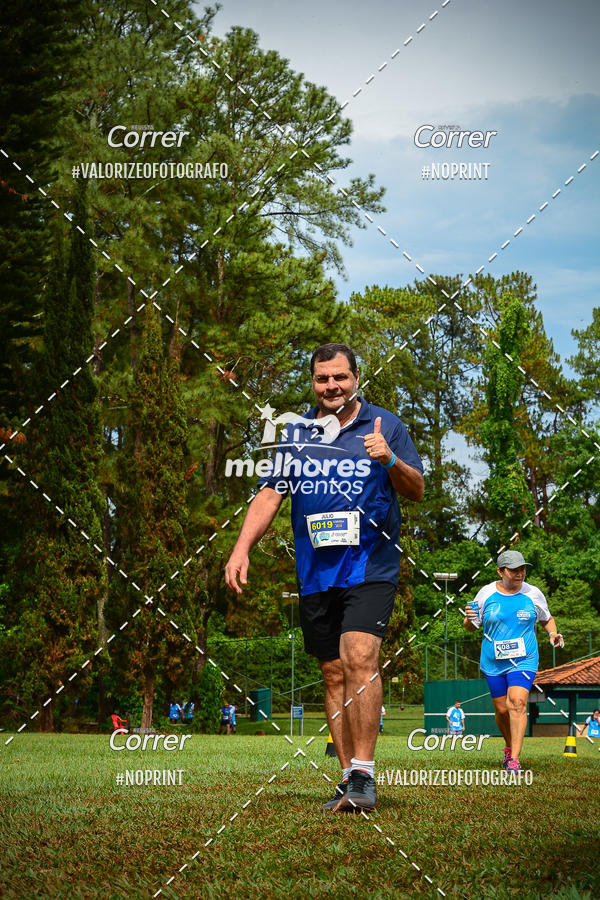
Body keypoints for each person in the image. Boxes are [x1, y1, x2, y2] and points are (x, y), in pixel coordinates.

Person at [225, 343, 424, 811]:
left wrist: (389, 460)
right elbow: (271, 494)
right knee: (333, 673)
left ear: (356, 377)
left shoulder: (385, 425)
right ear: (312, 382)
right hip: (316, 572)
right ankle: (348, 775)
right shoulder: (295, 434)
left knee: (359, 657)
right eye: (322, 379)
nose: (331, 386)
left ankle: (365, 776)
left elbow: (416, 489)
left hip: (371, 564)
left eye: (340, 377)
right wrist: (240, 549)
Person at [464, 549, 564, 772]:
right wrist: (468, 620)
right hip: (493, 661)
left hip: (524, 659)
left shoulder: (533, 594)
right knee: (501, 710)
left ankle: (514, 760)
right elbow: (472, 625)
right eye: (514, 570)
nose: (520, 573)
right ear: (500, 571)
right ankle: (509, 747)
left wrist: (552, 634)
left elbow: (547, 618)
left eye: (523, 569)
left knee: (517, 703)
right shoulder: (486, 593)